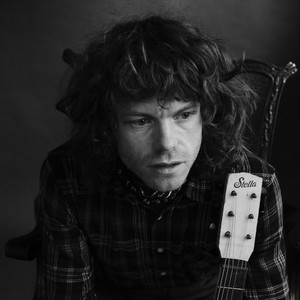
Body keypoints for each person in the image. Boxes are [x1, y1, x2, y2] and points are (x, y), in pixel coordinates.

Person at [36, 15, 289, 299]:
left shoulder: (253, 181)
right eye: (140, 121)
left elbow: (268, 293)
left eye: (183, 115)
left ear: (207, 115)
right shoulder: (67, 176)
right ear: (108, 126)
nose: (166, 144)